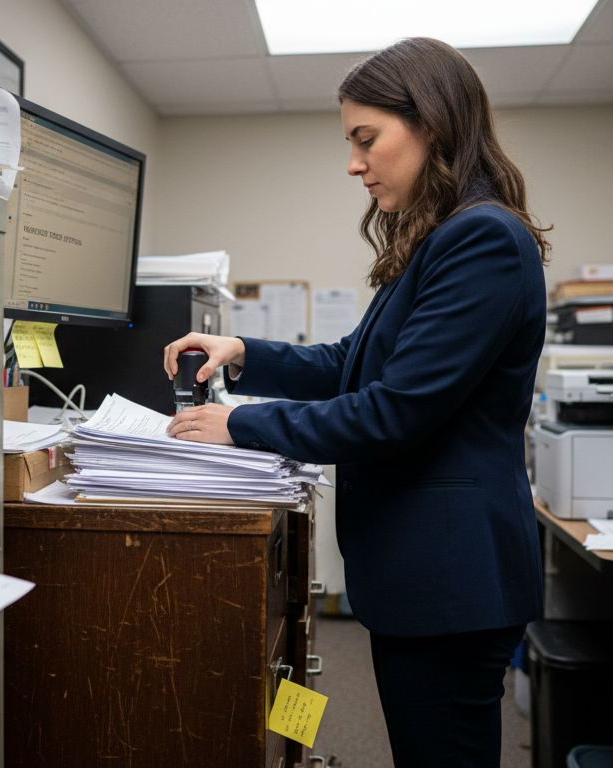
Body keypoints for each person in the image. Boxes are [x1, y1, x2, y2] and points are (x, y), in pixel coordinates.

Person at [161, 37, 550, 767]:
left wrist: (238, 424)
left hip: (451, 580)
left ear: (431, 123)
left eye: (366, 140)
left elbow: (394, 410)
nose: (353, 163)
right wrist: (242, 352)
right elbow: (353, 363)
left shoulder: (483, 239)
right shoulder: (439, 236)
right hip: (428, 576)